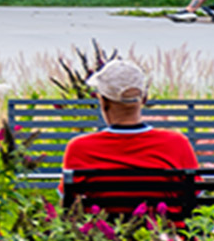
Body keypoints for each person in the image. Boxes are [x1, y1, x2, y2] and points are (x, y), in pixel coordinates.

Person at [61, 59, 198, 169]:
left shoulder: (80, 148)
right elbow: (195, 193)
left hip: (103, 205)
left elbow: (68, 198)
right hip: (162, 205)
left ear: (103, 101)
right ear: (144, 99)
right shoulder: (177, 144)